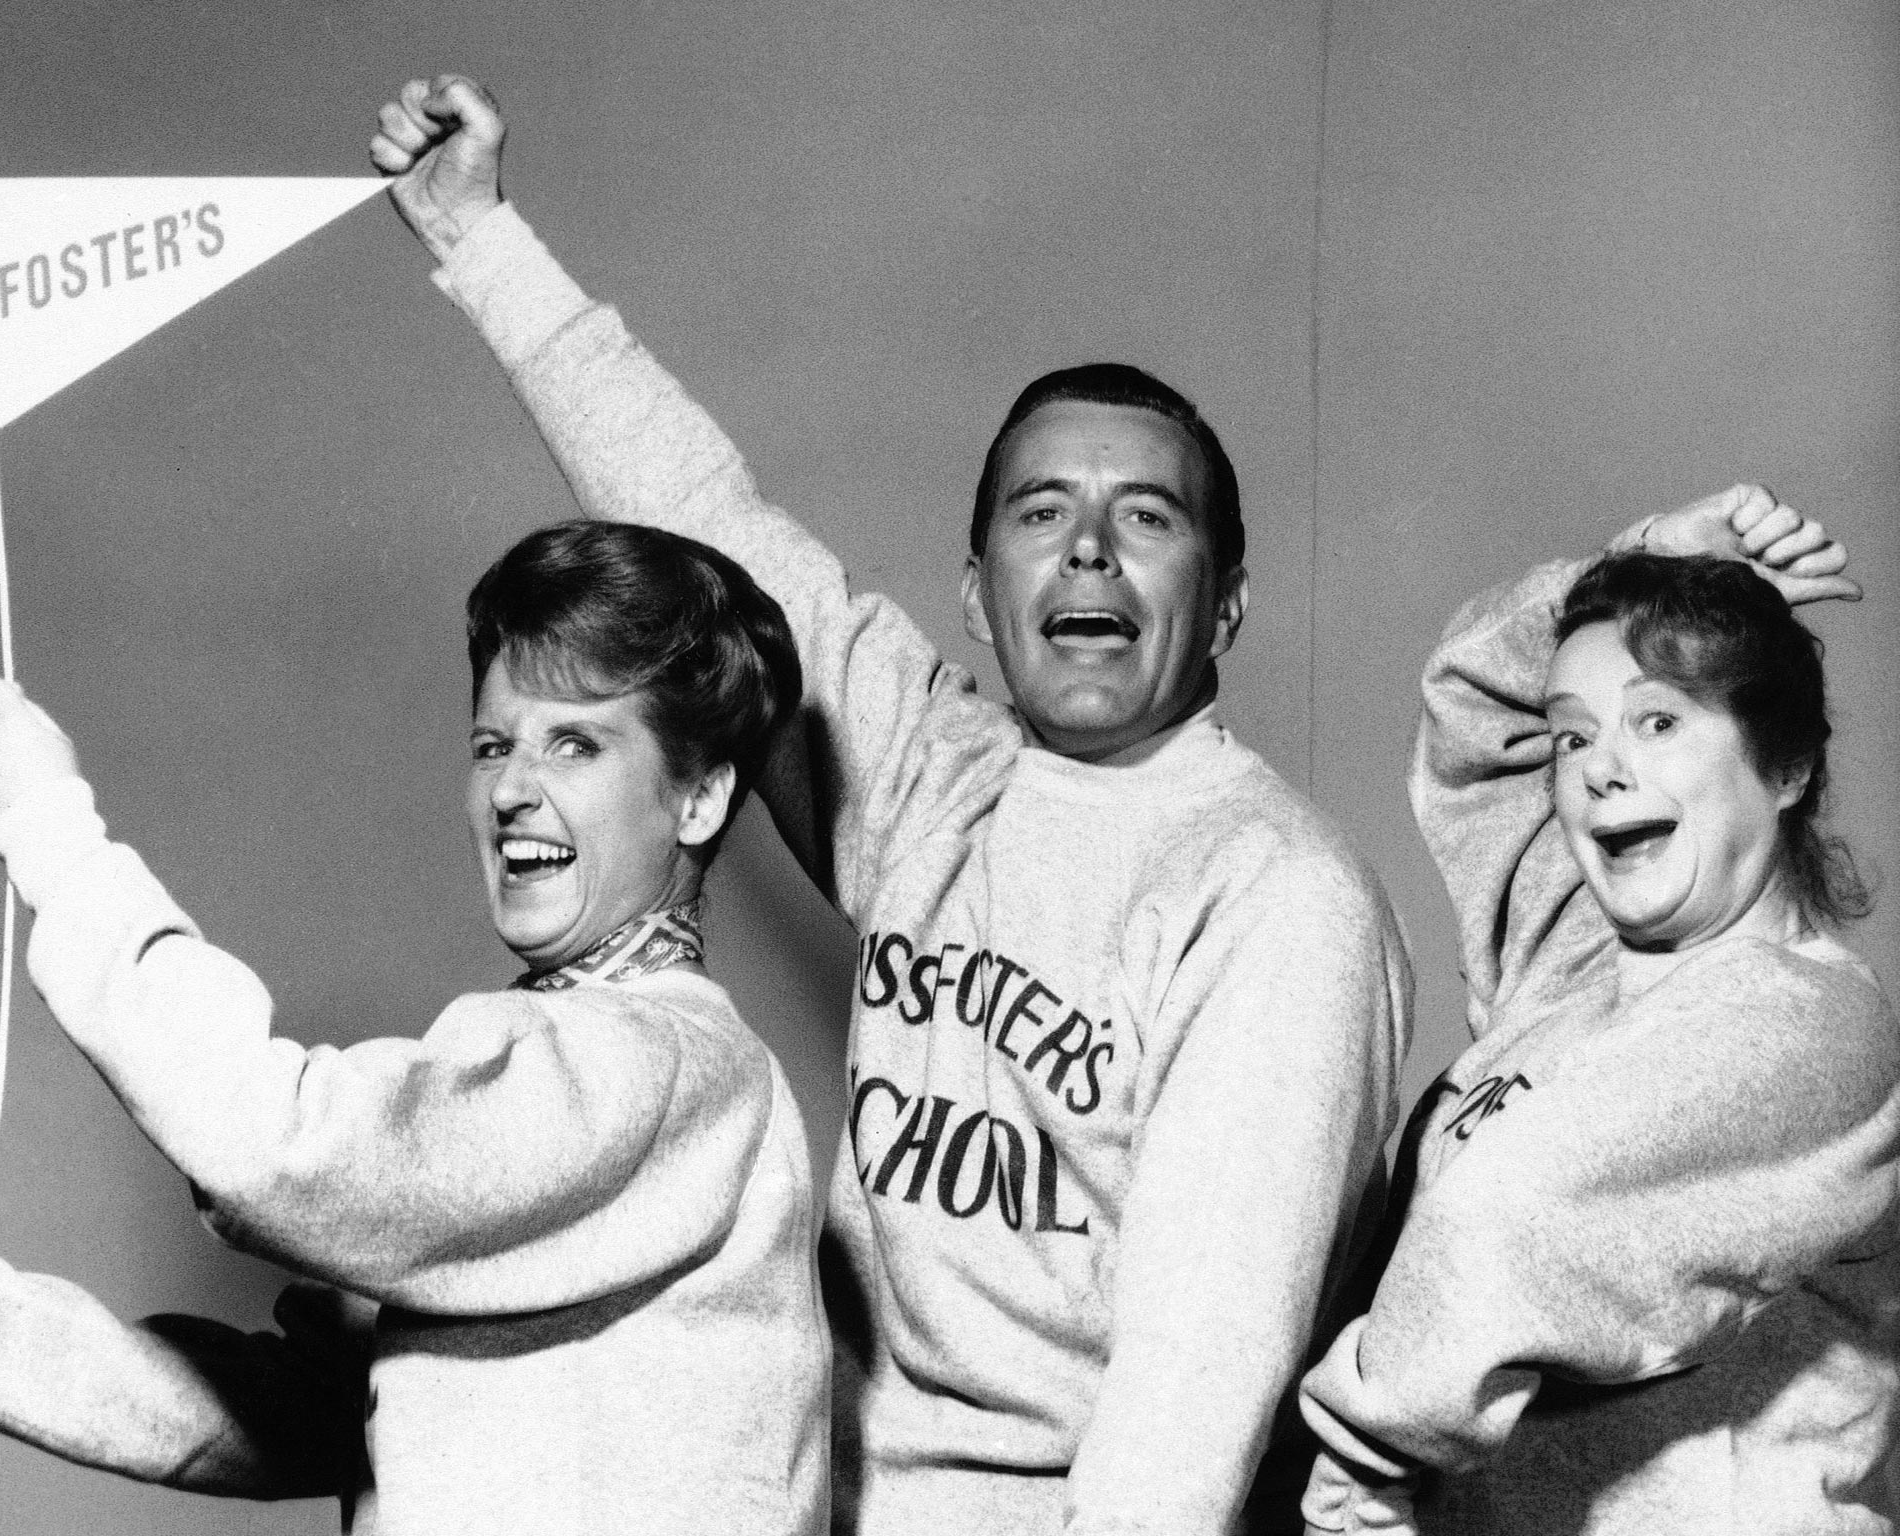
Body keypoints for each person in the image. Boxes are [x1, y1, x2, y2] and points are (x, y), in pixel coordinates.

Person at [370, 74, 1415, 1535]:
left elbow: (1198, 1386)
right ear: (977, 592)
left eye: (1150, 518)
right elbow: (707, 517)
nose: (1092, 554)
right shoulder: (933, 776)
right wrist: (477, 236)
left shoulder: (1277, 894)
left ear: (1227, 599)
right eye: (1041, 515)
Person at [0, 521, 829, 1536]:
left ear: (701, 794)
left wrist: (52, 835)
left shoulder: (655, 1060)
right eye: (492, 744)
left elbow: (276, 1143)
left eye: (574, 743)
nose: (508, 790)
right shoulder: (566, 1087)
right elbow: (312, 1409)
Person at [1296, 486, 1899, 1535]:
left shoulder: (1807, 1032)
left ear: (1787, 764)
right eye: (1572, 739)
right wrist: (1638, 560)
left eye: (1657, 721)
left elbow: (1499, 1223)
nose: (1598, 770)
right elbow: (1473, 707)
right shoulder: (1568, 960)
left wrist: (1351, 1494)